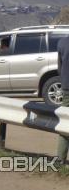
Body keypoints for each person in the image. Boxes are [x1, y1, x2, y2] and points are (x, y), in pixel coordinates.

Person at [56, 35, 69, 163]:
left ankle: (60, 158)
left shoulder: (62, 42)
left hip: (66, 87)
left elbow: (60, 67)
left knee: (65, 122)